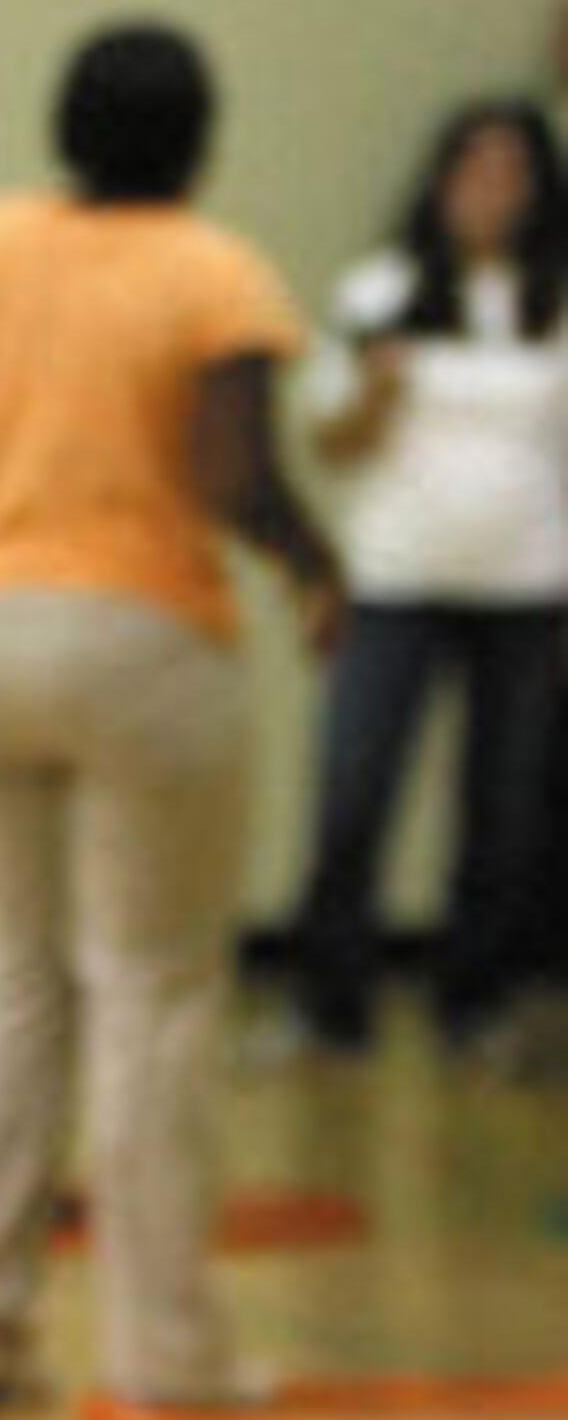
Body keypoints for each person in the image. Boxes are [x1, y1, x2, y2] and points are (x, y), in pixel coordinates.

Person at [0, 22, 345, 1418]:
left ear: (67, 127)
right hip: (150, 640)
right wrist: (314, 561)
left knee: (9, 980)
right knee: (152, 990)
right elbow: (230, 477)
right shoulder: (214, 271)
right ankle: (167, 1350)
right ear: (199, 144)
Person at [272, 96, 568, 1067]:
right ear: (439, 182)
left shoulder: (554, 296)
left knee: (505, 808)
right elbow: (330, 439)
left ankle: (475, 1005)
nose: (491, 193)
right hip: (395, 578)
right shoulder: (382, 291)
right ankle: (329, 1005)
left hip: (527, 585)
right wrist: (375, 391)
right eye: (472, 170)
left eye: (512, 173)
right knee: (352, 791)